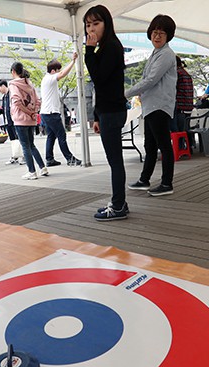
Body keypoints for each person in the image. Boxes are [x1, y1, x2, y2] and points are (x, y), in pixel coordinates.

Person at [84, 5, 129, 221]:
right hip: (107, 111)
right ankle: (120, 203)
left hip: (112, 111)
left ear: (106, 23)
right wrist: (96, 116)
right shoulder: (105, 46)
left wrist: (88, 51)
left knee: (115, 161)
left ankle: (118, 205)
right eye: (88, 24)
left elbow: (98, 78)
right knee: (115, 160)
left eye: (96, 23)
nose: (91, 29)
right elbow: (100, 87)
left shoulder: (111, 46)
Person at [125, 15, 178, 197]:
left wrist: (126, 93)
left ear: (168, 36)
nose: (157, 36)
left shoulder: (166, 54)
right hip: (151, 105)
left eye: (161, 33)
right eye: (154, 32)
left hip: (159, 106)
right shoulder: (156, 53)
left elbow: (151, 79)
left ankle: (166, 183)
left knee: (164, 145)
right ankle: (144, 179)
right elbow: (147, 79)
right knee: (150, 144)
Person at [40, 54, 82, 167]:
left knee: (51, 136)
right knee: (61, 135)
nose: (59, 72)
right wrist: (73, 62)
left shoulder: (46, 79)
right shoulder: (50, 78)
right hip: (51, 113)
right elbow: (63, 74)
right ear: (53, 71)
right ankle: (70, 159)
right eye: (58, 70)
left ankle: (49, 159)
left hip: (46, 113)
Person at [9, 61, 48, 180]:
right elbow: (38, 101)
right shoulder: (29, 84)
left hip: (21, 119)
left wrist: (28, 112)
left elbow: (16, 102)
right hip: (31, 120)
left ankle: (32, 171)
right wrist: (33, 112)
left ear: (13, 72)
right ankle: (42, 167)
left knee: (25, 146)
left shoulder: (13, 84)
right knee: (31, 145)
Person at [0, 80, 23, 165]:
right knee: (13, 140)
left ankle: (23, 156)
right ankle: (15, 156)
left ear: (4, 86)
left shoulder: (11, 94)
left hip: (14, 120)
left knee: (19, 139)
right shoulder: (4, 97)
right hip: (7, 122)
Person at [172, 56, 194, 133]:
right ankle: (190, 144)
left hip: (180, 107)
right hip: (188, 106)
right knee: (186, 131)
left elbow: (172, 88)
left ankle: (180, 145)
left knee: (178, 131)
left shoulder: (176, 73)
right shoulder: (185, 72)